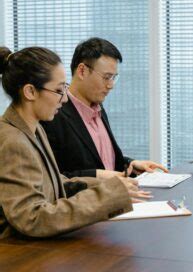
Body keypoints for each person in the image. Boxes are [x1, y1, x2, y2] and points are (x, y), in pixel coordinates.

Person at [0, 46, 149, 238]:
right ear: (30, 92)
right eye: (58, 90)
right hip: (24, 258)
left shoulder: (33, 129)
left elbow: (56, 183)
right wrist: (107, 197)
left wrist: (110, 187)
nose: (63, 100)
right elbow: (32, 218)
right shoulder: (13, 141)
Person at [42, 38, 168, 179]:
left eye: (113, 77)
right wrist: (97, 176)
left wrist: (131, 163)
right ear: (82, 71)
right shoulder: (53, 114)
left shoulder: (98, 107)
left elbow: (106, 163)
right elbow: (54, 180)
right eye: (106, 77)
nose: (111, 85)